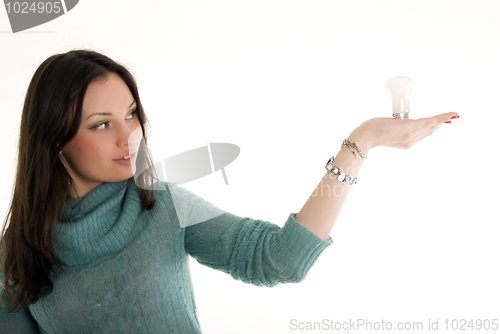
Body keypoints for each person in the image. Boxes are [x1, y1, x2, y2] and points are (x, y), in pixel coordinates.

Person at [0, 49, 459, 333]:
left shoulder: (163, 207)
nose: (130, 137)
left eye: (132, 114)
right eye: (102, 124)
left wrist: (360, 144)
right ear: (53, 140)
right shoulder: (15, 257)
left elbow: (279, 259)